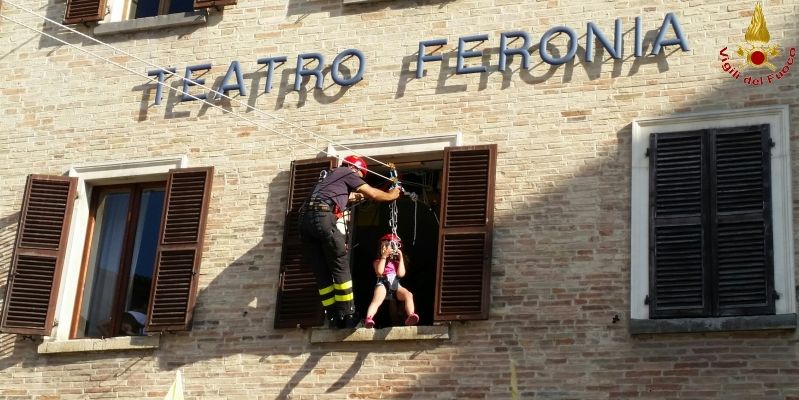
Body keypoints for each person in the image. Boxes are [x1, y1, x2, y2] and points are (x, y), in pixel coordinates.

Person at [299, 155, 401, 329]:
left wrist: (353, 197)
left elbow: (336, 197)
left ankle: (332, 317)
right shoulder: (347, 171)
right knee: (340, 266)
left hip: (304, 222)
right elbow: (374, 193)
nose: (358, 180)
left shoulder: (328, 176)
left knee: (322, 272)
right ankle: (348, 315)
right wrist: (392, 195)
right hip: (322, 218)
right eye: (360, 176)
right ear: (355, 169)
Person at [364, 233, 419, 328]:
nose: (386, 248)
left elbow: (401, 274)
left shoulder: (396, 263)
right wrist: (384, 256)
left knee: (408, 295)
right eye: (383, 246)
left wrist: (400, 258)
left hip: (396, 284)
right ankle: (368, 318)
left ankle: (411, 315)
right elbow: (380, 271)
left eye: (389, 245)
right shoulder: (378, 261)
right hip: (383, 284)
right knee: (376, 301)